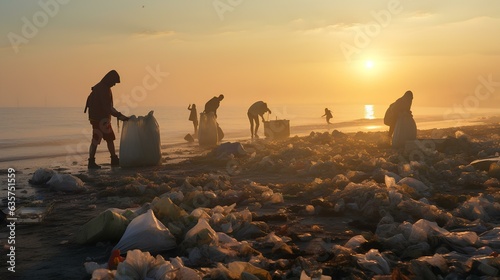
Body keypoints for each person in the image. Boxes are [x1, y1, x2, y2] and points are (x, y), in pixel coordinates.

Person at [84, 70, 129, 169]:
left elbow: (107, 107)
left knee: (105, 139)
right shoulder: (103, 89)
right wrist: (119, 116)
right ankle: (94, 162)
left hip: (99, 118)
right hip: (99, 119)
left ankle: (110, 159)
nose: (114, 84)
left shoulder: (102, 87)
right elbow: (108, 107)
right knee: (101, 139)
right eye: (114, 82)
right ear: (110, 79)